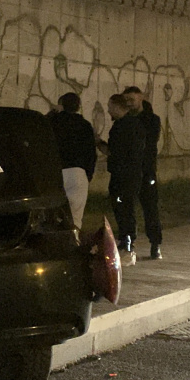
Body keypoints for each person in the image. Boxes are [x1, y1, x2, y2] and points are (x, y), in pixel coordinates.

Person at [123, 85, 164, 260]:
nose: (129, 104)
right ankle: (128, 244)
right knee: (125, 209)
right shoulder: (124, 120)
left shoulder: (152, 120)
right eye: (126, 101)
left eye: (132, 100)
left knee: (150, 209)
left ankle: (155, 244)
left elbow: (147, 142)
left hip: (146, 172)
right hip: (128, 172)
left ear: (141, 98)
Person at [103, 93, 145, 265]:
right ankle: (127, 243)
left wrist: (98, 142)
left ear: (116, 107)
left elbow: (114, 152)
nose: (108, 110)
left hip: (122, 176)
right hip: (133, 175)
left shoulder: (121, 127)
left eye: (110, 106)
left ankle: (127, 245)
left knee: (123, 210)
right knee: (127, 209)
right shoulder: (136, 125)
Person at [47, 92, 98, 229]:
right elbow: (91, 153)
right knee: (75, 218)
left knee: (53, 216)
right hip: (78, 173)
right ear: (78, 106)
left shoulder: (52, 123)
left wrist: (52, 112)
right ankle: (74, 244)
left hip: (55, 173)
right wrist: (88, 175)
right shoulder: (85, 125)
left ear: (61, 105)